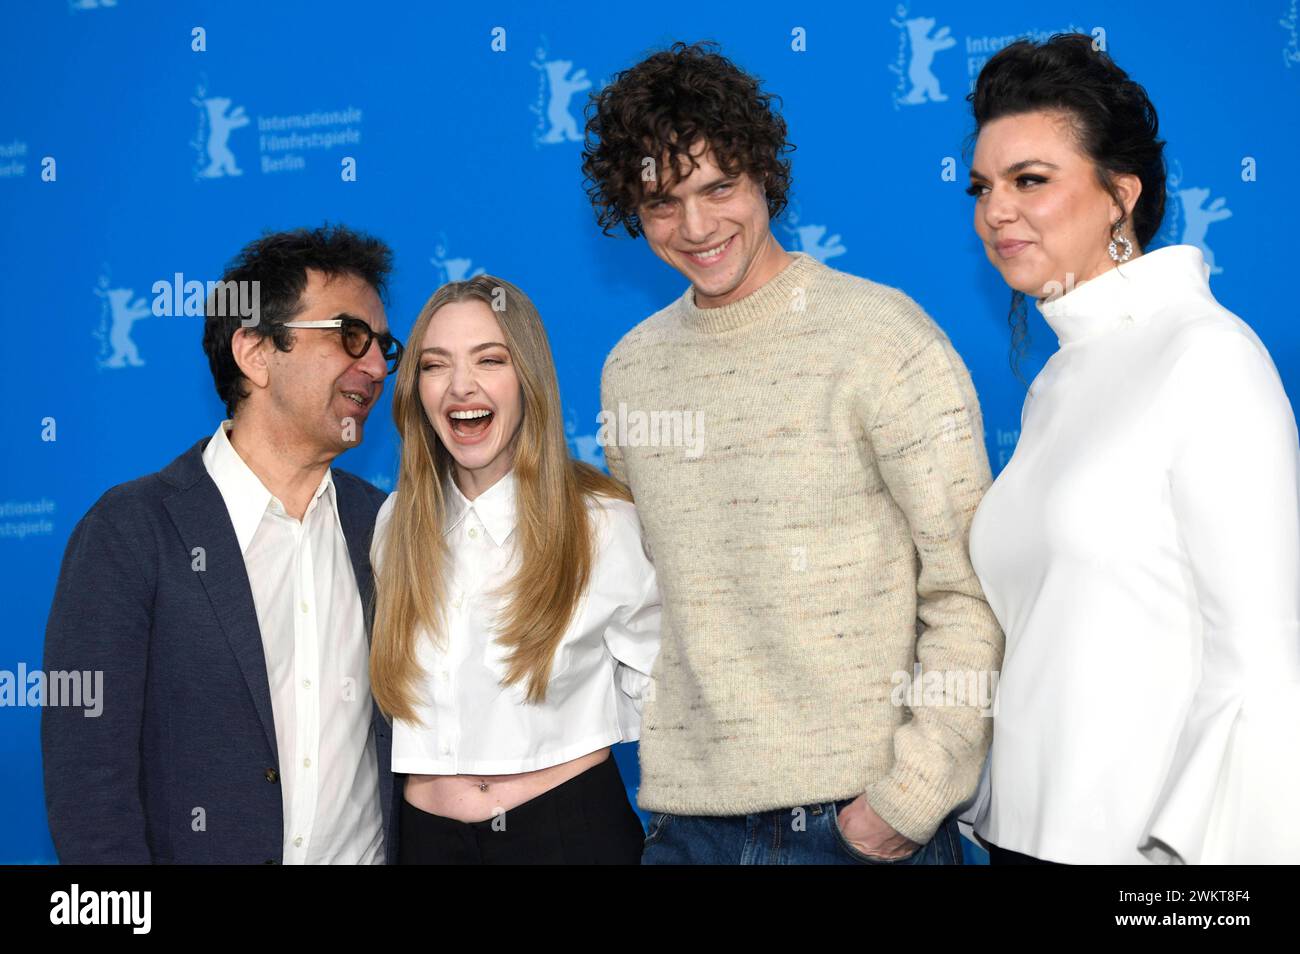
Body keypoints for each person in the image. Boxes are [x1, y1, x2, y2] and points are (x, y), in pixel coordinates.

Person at [581, 40, 1002, 864]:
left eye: (719, 187)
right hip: (682, 825)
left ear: (764, 176)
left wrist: (908, 797)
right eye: (662, 201)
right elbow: (641, 596)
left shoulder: (884, 338)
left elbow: (969, 588)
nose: (696, 227)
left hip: (855, 827)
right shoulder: (631, 368)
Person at [961, 33, 1300, 864]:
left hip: (1153, 857)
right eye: (983, 187)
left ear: (1120, 195)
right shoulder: (1056, 383)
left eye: (1030, 180)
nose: (996, 210)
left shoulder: (1208, 355)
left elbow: (1263, 663)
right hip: (1020, 841)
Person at [42, 224, 403, 864]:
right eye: (349, 336)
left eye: (382, 346)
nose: (374, 367)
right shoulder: (131, 532)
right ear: (255, 352)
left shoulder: (385, 526)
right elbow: (90, 785)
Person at [369, 275, 660, 864]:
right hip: (425, 842)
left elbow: (667, 701)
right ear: (415, 389)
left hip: (567, 836)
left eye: (490, 359)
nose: (460, 386)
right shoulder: (394, 523)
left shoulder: (603, 524)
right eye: (434, 365)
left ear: (528, 379)